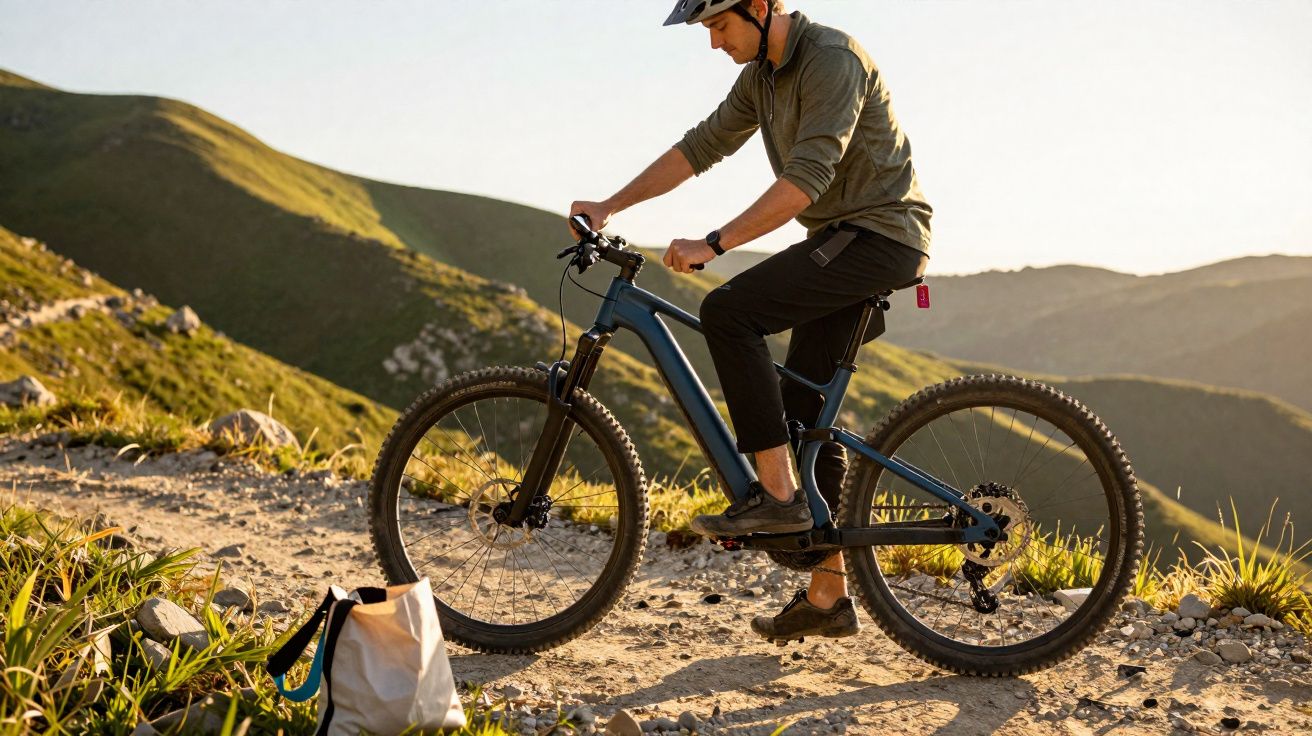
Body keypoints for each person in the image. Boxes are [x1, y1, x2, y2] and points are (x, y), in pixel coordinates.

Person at [568, 0, 932, 644]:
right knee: (800, 410)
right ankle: (827, 597)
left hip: (879, 235)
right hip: (844, 237)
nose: (713, 43)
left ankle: (778, 498)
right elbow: (699, 148)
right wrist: (609, 204)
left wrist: (717, 241)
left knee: (729, 311)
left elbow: (808, 178)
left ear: (760, 8)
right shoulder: (761, 75)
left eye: (718, 25)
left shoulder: (832, 59)